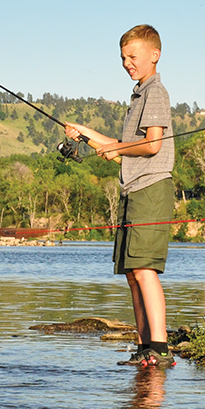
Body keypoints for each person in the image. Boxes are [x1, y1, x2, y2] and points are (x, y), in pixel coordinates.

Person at [65, 24, 176, 368]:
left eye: (133, 56)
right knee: (132, 273)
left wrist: (118, 148)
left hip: (151, 188)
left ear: (154, 55)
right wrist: (85, 134)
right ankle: (144, 347)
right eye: (123, 57)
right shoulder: (139, 95)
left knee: (144, 270)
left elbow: (152, 144)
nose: (127, 63)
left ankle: (159, 347)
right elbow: (123, 147)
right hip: (133, 189)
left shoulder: (155, 92)